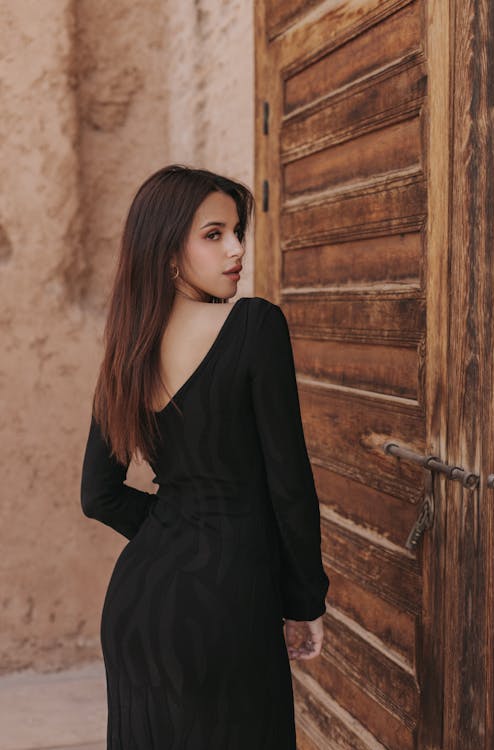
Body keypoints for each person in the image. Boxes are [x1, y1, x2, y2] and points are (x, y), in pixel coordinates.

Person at [80, 164, 330, 749]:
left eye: (237, 232)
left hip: (136, 608)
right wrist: (304, 600)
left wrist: (176, 533)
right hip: (228, 605)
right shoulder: (255, 326)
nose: (236, 249)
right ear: (168, 252)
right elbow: (290, 484)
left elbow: (99, 494)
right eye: (214, 235)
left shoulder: (128, 349)